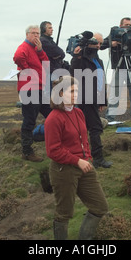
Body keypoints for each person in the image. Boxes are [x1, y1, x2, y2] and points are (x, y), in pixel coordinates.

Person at [44, 76, 108, 240]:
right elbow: (53, 151)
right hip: (63, 170)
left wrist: (87, 157)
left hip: (84, 166)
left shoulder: (79, 112)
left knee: (100, 206)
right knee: (64, 213)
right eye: (72, 91)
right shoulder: (53, 118)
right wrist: (77, 160)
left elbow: (83, 139)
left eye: (77, 90)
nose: (76, 94)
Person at [70, 32, 112, 168]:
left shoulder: (97, 59)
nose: (99, 46)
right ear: (90, 42)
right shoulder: (82, 57)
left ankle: (87, 154)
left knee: (88, 127)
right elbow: (74, 73)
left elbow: (101, 80)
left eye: (100, 43)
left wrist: (102, 100)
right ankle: (97, 158)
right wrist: (76, 57)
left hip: (94, 98)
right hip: (85, 98)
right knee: (95, 127)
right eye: (96, 43)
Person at [13, 25, 51, 162]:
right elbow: (17, 57)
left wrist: (40, 50)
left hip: (39, 88)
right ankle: (27, 152)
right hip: (29, 89)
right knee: (29, 120)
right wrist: (27, 70)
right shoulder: (23, 47)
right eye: (33, 33)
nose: (36, 36)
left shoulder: (36, 48)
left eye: (38, 33)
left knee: (52, 114)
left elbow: (46, 62)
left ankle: (56, 142)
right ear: (27, 34)